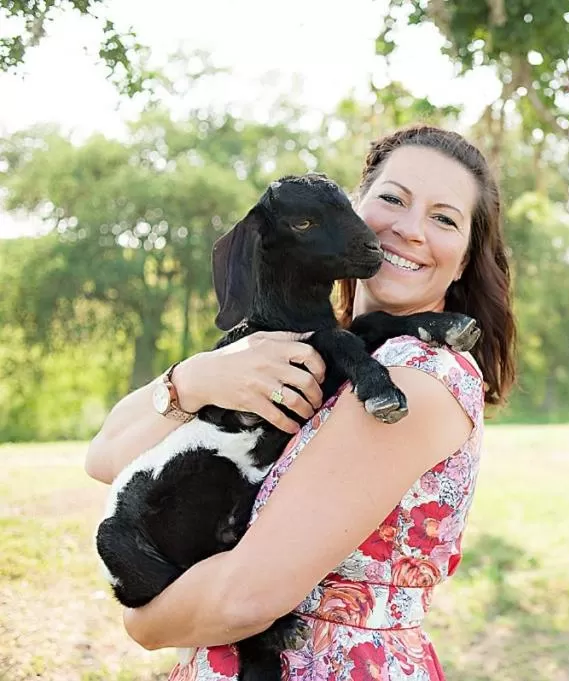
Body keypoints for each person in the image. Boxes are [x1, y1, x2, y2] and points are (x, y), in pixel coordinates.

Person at [85, 124, 517, 681]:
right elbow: (103, 460)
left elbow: (246, 597)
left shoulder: (417, 378)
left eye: (444, 218)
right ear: (352, 207)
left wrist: (143, 624)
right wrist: (194, 381)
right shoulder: (299, 350)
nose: (409, 229)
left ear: (463, 260)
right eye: (392, 199)